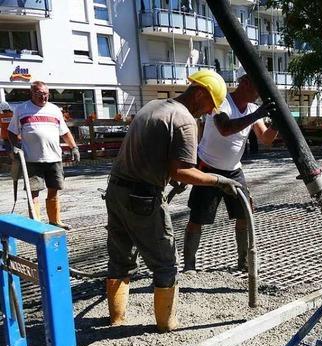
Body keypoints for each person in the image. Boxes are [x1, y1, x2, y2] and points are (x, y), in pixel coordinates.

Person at [104, 70, 242, 332]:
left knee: (120, 257)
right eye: (210, 106)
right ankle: (166, 324)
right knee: (166, 263)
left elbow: (153, 154)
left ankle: (116, 318)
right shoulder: (184, 119)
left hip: (116, 191)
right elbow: (182, 171)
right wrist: (219, 181)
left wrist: (168, 175)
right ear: (201, 94)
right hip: (142, 198)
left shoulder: (153, 106)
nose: (209, 113)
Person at [183, 74, 277, 273]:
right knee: (198, 217)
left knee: (244, 214)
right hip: (208, 167)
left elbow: (266, 139)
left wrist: (278, 124)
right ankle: (189, 265)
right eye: (256, 89)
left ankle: (243, 262)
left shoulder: (252, 109)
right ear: (244, 83)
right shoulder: (220, 102)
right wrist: (257, 115)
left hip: (234, 170)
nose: (259, 95)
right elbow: (225, 128)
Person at [7, 81, 81, 229]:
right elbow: (11, 131)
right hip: (32, 159)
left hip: (54, 158)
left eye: (46, 94)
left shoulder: (54, 109)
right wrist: (15, 146)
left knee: (54, 189)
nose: (44, 97)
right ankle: (36, 224)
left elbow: (64, 131)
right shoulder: (22, 109)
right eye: (40, 94)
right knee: (33, 192)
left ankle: (55, 221)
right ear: (32, 93)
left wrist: (74, 147)